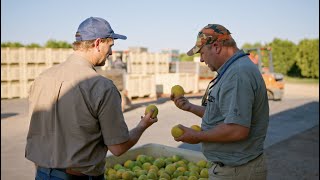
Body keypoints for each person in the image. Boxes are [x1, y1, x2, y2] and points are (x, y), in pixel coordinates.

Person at [25, 17, 157, 180]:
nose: (110, 52)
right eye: (110, 46)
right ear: (97, 43)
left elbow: (37, 131)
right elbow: (118, 148)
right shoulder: (102, 87)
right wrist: (142, 126)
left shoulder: (42, 78)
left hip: (42, 173)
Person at [171, 24, 269, 180]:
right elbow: (224, 115)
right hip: (233, 169)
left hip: (238, 172)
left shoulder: (237, 74)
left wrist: (198, 136)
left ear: (216, 46)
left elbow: (237, 129)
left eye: (202, 53)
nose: (202, 59)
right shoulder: (233, 70)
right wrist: (188, 107)